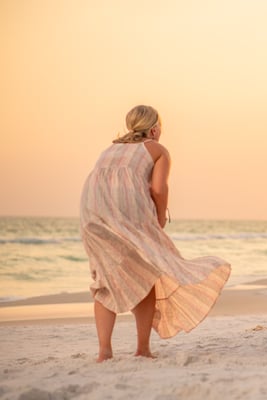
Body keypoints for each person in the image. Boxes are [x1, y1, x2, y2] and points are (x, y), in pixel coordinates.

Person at [80, 105, 231, 362]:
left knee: (105, 279)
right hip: (130, 212)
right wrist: (160, 216)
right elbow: (158, 189)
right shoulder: (157, 149)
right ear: (154, 128)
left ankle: (104, 351)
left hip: (93, 211)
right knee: (146, 272)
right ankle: (142, 349)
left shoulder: (109, 149)